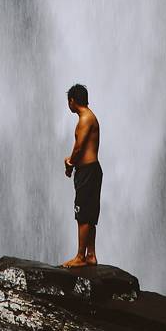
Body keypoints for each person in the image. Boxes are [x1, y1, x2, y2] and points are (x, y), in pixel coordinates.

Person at [61, 83, 101, 268]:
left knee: (83, 214)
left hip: (87, 172)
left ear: (72, 101)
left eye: (68, 101)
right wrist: (72, 161)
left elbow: (79, 147)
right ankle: (91, 255)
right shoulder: (89, 117)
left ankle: (80, 256)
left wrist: (70, 164)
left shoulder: (85, 118)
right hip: (91, 170)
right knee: (89, 213)